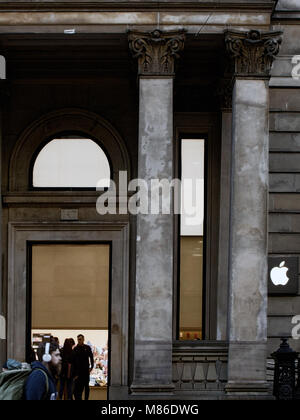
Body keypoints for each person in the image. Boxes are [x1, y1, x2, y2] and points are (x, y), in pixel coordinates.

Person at [72, 334, 94, 400]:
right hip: (78, 372)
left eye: (80, 339)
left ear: (83, 340)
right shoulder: (75, 349)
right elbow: (73, 362)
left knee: (86, 387)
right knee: (79, 389)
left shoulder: (87, 348)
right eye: (78, 339)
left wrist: (92, 367)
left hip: (86, 371)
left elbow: (91, 357)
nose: (79, 341)